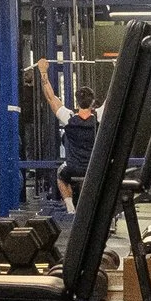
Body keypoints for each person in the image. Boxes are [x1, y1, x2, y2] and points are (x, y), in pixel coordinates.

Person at [35, 58, 101, 210]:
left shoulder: (69, 118)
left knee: (60, 175)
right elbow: (114, 96)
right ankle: (95, 208)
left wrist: (43, 71)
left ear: (77, 102)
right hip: (94, 167)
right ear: (93, 103)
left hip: (73, 167)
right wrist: (118, 67)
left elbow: (50, 97)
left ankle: (71, 208)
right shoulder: (99, 116)